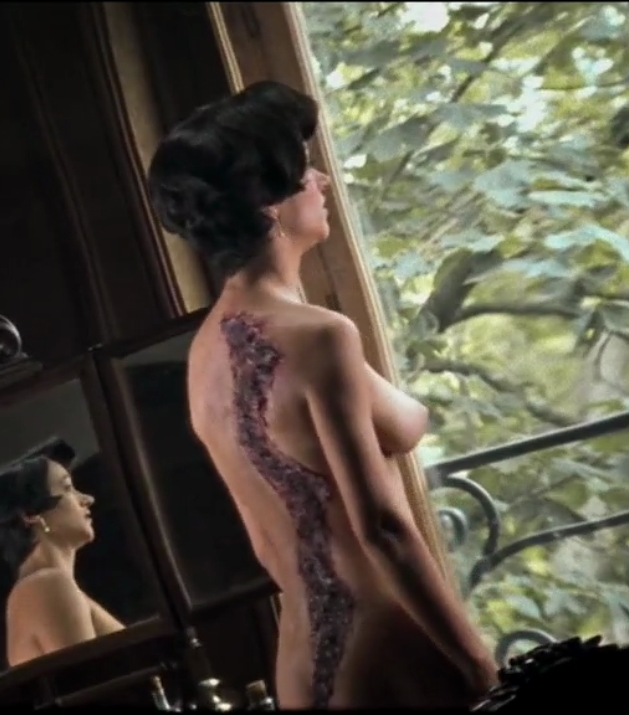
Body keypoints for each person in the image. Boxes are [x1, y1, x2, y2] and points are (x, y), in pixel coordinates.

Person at [146, 81, 499, 708]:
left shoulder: (205, 354)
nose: (323, 181)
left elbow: (386, 430)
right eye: (306, 170)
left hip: (300, 662)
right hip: (383, 645)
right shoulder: (318, 337)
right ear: (269, 204)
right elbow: (382, 528)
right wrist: (478, 662)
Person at [0, 437, 125, 667]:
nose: (87, 499)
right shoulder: (48, 585)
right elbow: (95, 679)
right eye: (68, 488)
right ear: (30, 515)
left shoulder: (46, 586)